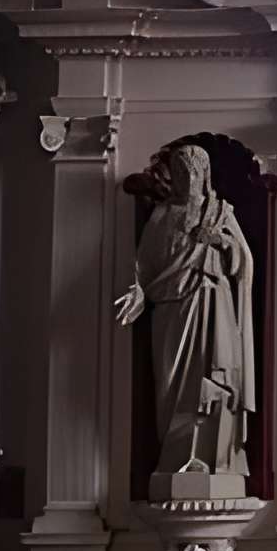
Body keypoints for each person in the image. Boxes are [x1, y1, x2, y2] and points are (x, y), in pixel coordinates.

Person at [114, 143, 256, 491]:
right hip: (171, 312)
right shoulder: (161, 216)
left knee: (213, 380)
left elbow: (244, 263)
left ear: (205, 175)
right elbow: (144, 268)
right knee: (171, 385)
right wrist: (137, 292)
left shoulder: (221, 213)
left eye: (193, 171)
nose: (187, 178)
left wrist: (221, 242)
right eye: (180, 171)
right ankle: (176, 457)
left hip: (212, 303)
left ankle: (214, 458)